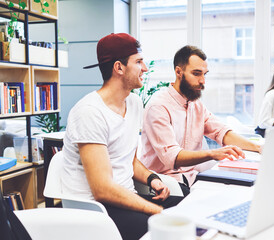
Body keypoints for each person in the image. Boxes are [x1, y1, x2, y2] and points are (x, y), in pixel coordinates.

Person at [60, 33, 183, 240]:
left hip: (125, 199)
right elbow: (103, 190)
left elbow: (129, 159)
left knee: (187, 205)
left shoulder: (134, 103)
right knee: (168, 230)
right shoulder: (89, 112)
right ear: (119, 67)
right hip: (96, 210)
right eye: (139, 62)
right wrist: (157, 211)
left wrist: (152, 179)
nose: (145, 68)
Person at [140, 45, 261, 195]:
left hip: (192, 179)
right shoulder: (158, 107)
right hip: (166, 184)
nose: (203, 81)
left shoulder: (196, 105)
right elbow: (172, 157)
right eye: (196, 74)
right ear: (178, 72)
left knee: (239, 189)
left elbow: (221, 132)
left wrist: (259, 148)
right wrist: (212, 154)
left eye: (204, 74)